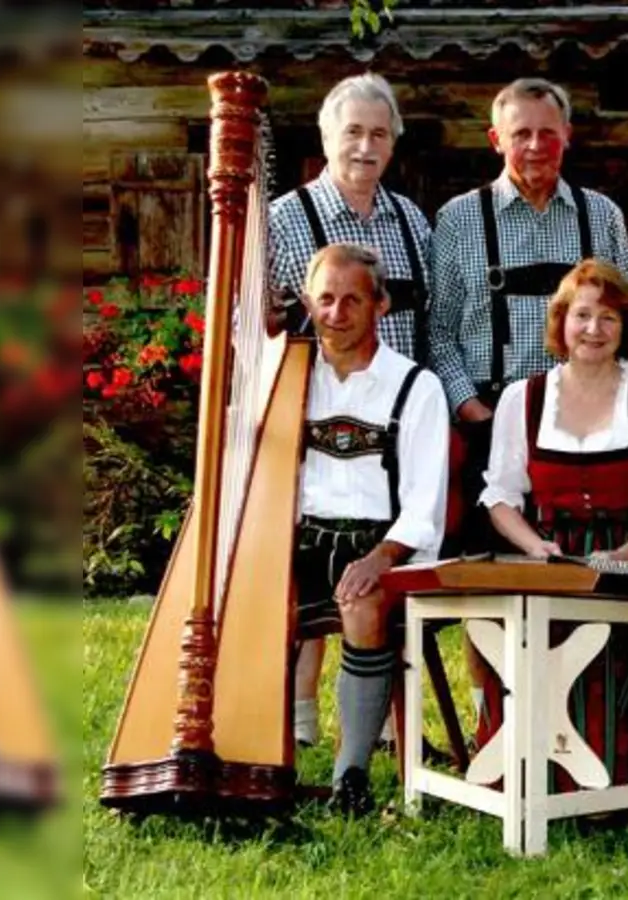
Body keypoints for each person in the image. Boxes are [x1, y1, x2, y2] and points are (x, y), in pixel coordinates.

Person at [475, 258, 628, 789]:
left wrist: (623, 557)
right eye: (581, 316)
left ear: (626, 328)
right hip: (549, 561)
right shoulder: (522, 399)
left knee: (617, 649)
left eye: (608, 318)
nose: (593, 330)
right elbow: (502, 495)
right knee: (522, 641)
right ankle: (532, 775)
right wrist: (535, 548)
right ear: (561, 322)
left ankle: (622, 781)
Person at [266, 73, 437, 748]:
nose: (365, 146)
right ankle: (300, 717)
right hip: (319, 417)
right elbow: (256, 328)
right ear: (326, 137)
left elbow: (434, 321)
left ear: (394, 141)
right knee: (302, 563)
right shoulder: (284, 220)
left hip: (400, 420)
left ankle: (390, 725)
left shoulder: (411, 221)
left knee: (382, 568)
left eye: (378, 133)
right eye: (352, 132)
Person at [431, 77, 628, 557]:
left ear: (567, 134)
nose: (535, 146)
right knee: (493, 580)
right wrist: (474, 412)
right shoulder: (460, 219)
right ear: (496, 139)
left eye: (548, 133)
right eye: (521, 133)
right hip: (490, 418)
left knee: (585, 568)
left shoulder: (600, 215)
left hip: (586, 427)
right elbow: (439, 333)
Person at [287, 243, 449, 815]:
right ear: (307, 301)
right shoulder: (291, 378)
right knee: (251, 605)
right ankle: (255, 758)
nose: (336, 313)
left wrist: (379, 558)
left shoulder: (415, 386)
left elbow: (424, 508)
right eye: (324, 299)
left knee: (360, 602)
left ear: (380, 305)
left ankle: (349, 776)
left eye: (352, 299)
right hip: (305, 541)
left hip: (386, 543)